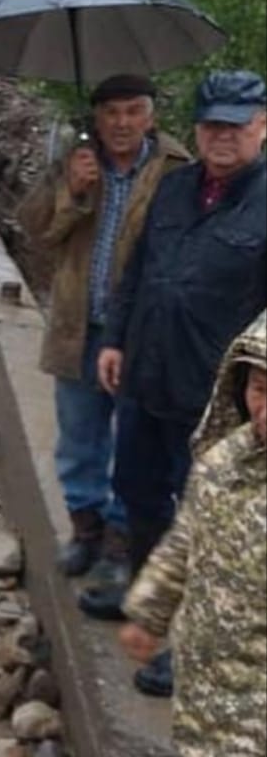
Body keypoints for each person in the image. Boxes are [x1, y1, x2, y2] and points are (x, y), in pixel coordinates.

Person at [82, 71, 267, 696]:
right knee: (137, 493)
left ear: (262, 125)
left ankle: (188, 645)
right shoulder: (176, 187)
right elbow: (137, 270)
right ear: (196, 128)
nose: (223, 136)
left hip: (217, 401)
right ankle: (146, 606)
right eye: (213, 124)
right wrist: (113, 338)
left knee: (205, 524)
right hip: (145, 377)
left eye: (237, 124)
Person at [120, 311, 266, 757]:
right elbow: (185, 542)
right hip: (210, 714)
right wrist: (149, 612)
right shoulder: (226, 462)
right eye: (260, 388)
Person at [18, 76, 189, 575]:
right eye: (111, 112)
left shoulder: (175, 171)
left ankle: (120, 537)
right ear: (97, 118)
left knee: (134, 443)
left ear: (151, 117)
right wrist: (71, 192)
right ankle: (85, 529)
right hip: (78, 326)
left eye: (133, 111)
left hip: (141, 334)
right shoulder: (74, 163)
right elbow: (34, 230)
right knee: (78, 437)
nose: (122, 123)